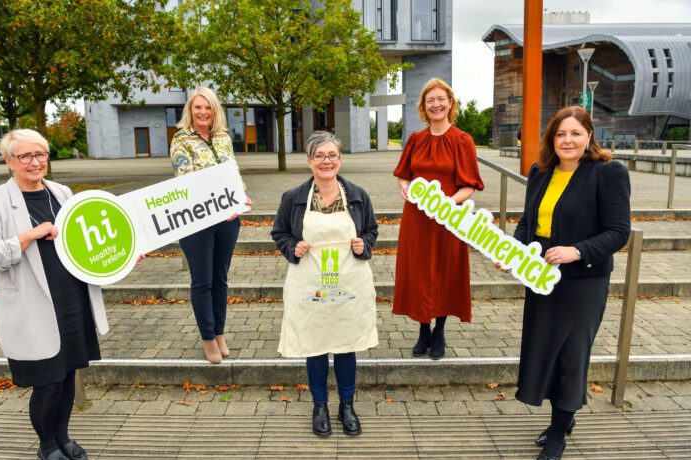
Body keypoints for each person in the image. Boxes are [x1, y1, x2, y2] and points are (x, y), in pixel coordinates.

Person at [0, 129, 109, 460]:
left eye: (41, 155)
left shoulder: (61, 192)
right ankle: (47, 445)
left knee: (67, 376)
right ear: (9, 161)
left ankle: (63, 437)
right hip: (32, 307)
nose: (35, 163)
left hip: (72, 299)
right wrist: (27, 237)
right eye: (26, 157)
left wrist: (116, 259)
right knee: (47, 381)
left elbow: (83, 240)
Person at [509, 106, 630, 460]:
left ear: (589, 136)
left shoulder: (608, 173)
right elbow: (528, 222)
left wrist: (577, 251)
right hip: (543, 277)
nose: (568, 140)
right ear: (552, 139)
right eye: (561, 134)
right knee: (544, 349)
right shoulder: (540, 172)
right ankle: (564, 416)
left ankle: (559, 432)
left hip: (582, 282)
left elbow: (618, 232)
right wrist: (515, 252)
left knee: (571, 355)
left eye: (576, 133)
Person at [272, 131, 378, 437]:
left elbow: (371, 229)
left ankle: (347, 405)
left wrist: (363, 245)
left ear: (340, 160)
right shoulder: (293, 198)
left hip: (349, 284)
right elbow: (279, 233)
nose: (326, 161)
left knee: (347, 345)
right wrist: (293, 247)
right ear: (309, 162)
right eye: (320, 156)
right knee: (314, 345)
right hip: (309, 283)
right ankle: (320, 405)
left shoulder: (358, 195)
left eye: (332, 155)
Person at [392, 78, 484, 360]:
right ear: (424, 107)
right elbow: (404, 173)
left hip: (448, 218)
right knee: (419, 271)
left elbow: (470, 185)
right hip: (417, 218)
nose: (436, 104)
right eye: (430, 100)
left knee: (444, 271)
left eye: (440, 99)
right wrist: (405, 187)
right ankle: (423, 329)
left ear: (450, 103)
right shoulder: (415, 140)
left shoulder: (462, 140)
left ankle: (440, 330)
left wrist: (447, 202)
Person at [170, 86, 252, 364]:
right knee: (202, 282)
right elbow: (187, 180)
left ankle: (219, 333)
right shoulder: (181, 140)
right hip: (197, 220)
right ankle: (208, 339)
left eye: (208, 107)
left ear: (215, 111)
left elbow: (233, 171)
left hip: (228, 219)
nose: (203, 112)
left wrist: (240, 198)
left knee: (220, 279)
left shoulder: (223, 137)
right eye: (197, 107)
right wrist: (221, 203)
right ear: (190, 111)